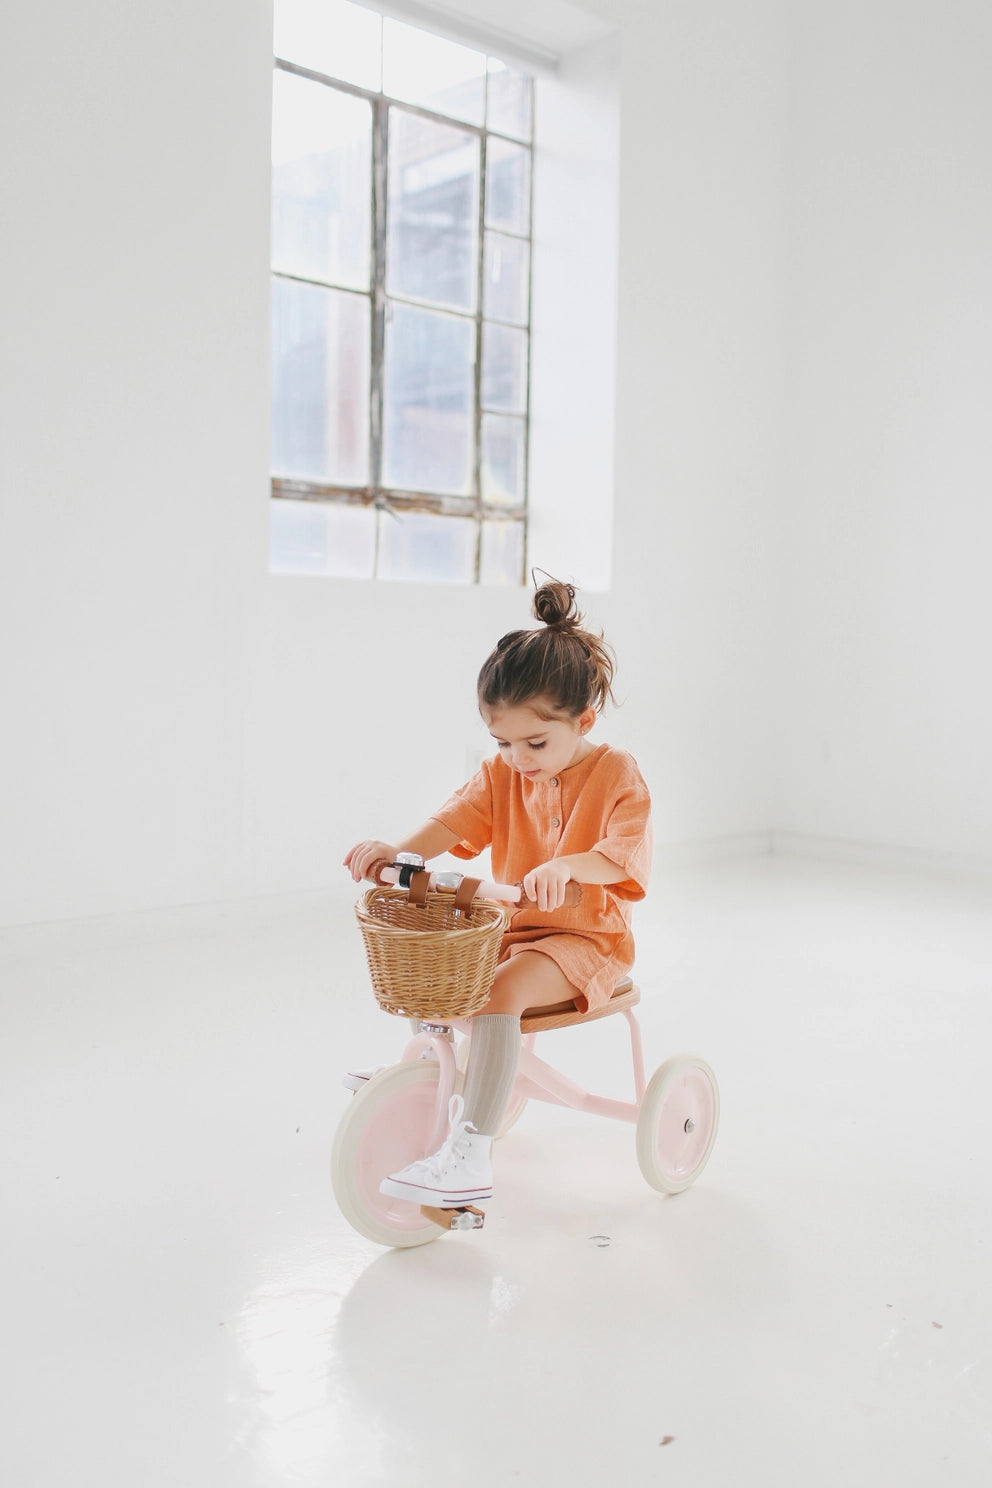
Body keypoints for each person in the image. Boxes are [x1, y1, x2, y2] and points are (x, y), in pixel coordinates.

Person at [344, 576, 653, 1208]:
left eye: (535, 742)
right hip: (512, 927)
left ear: (584, 720)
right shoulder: (502, 771)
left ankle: (471, 1151)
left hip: (584, 939)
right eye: (502, 742)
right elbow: (456, 820)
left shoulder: (615, 771)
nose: (517, 758)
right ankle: (434, 1076)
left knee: (501, 992)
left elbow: (621, 852)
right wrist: (399, 854)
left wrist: (568, 868)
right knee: (437, 966)